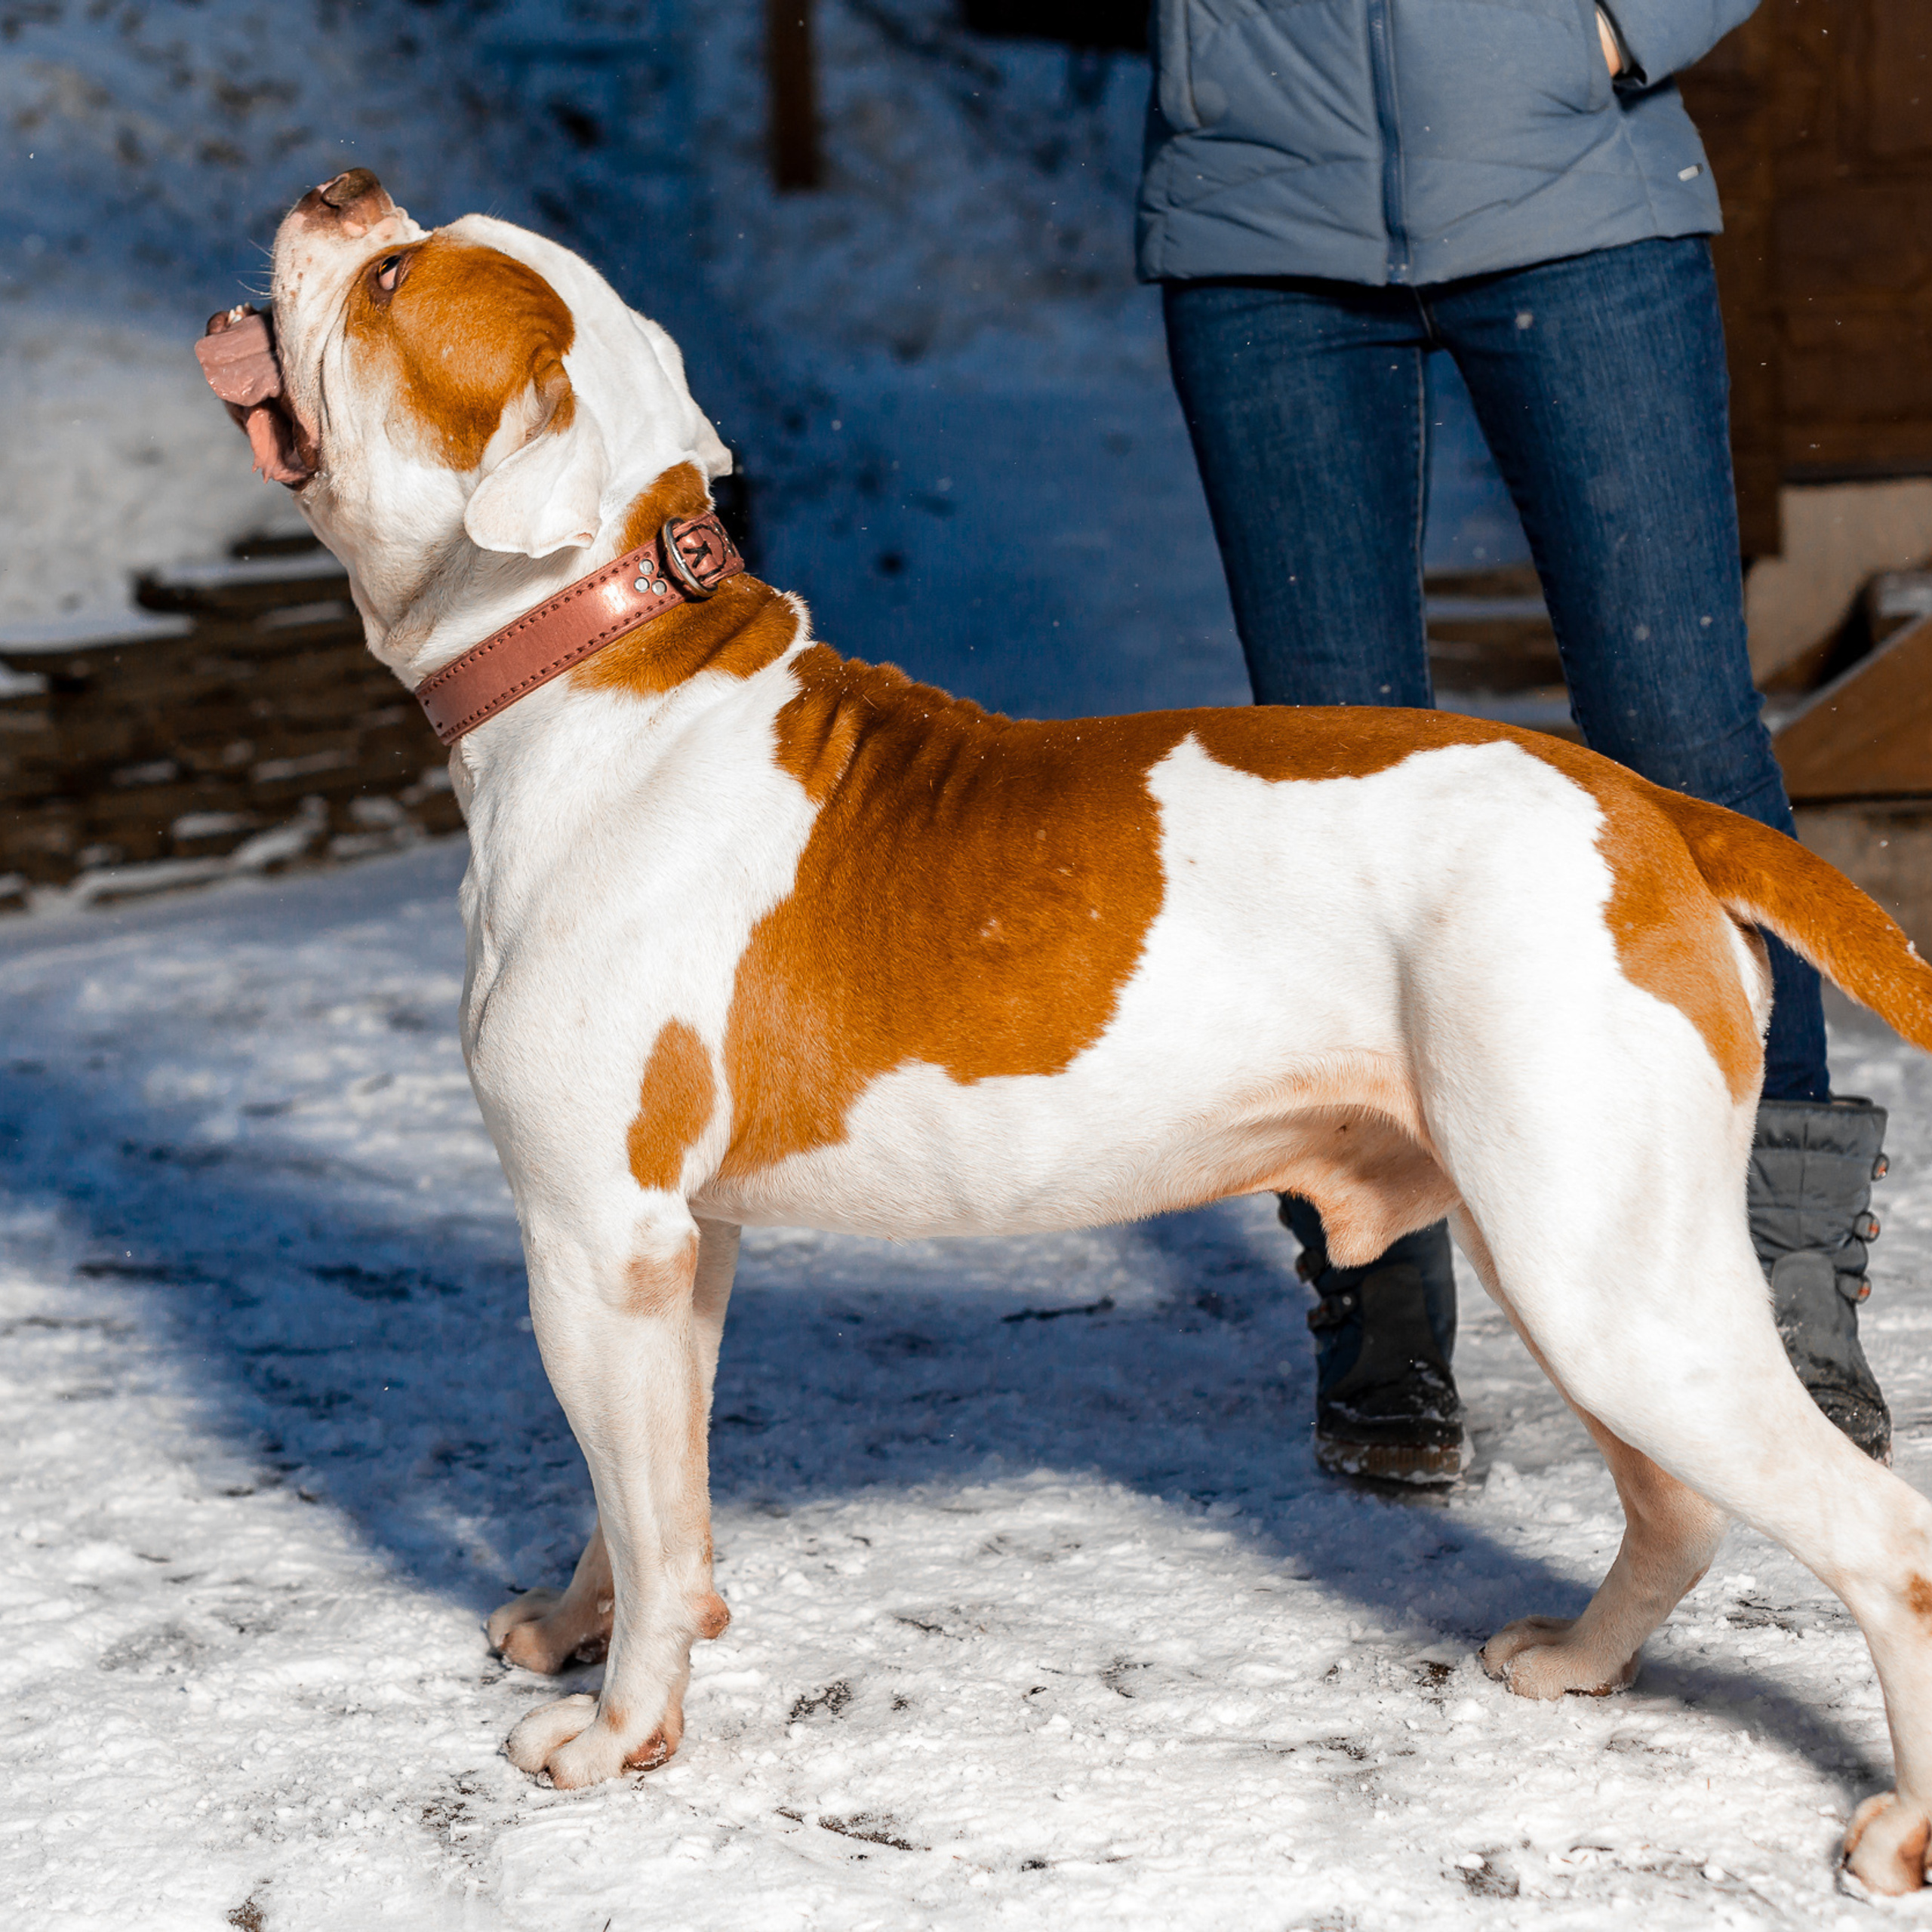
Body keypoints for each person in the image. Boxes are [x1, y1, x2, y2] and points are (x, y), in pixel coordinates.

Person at [1140, 1, 1894, 1479]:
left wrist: (1605, 30)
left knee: (1677, 734)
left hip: (1570, 188)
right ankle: (1378, 1289)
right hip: (1257, 217)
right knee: (1326, 784)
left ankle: (1786, 1258)